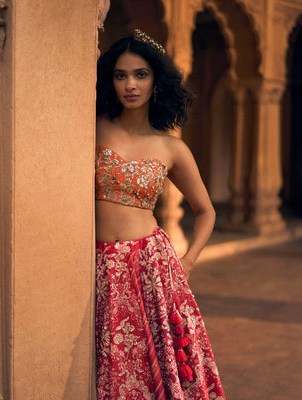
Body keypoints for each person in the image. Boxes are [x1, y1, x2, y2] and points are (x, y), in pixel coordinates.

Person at [95, 29, 226, 400]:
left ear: (156, 81)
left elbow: (206, 212)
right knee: (113, 366)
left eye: (141, 74)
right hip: (98, 264)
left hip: (150, 266)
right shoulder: (93, 128)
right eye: (121, 75)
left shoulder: (171, 147)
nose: (130, 85)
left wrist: (188, 260)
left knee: (157, 364)